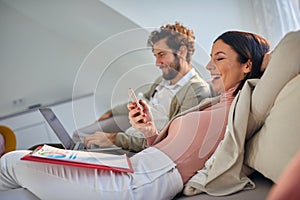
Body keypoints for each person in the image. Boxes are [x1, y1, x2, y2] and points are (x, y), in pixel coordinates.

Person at [0, 31, 270, 200]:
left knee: (14, 161)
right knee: (23, 191)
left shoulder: (242, 101)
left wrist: (265, 60)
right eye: (211, 57)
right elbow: (179, 147)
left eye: (219, 58)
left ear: (247, 64)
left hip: (145, 179)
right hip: (139, 165)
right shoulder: (216, 100)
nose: (210, 65)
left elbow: (287, 57)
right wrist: (151, 130)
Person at [75, 22, 212, 152]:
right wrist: (111, 112)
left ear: (182, 52)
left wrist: (114, 139)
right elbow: (143, 100)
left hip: (140, 146)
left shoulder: (197, 91)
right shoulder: (163, 80)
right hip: (131, 132)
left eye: (162, 54)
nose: (157, 63)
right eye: (155, 55)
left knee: (88, 147)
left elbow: (171, 140)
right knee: (79, 135)